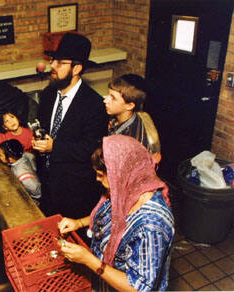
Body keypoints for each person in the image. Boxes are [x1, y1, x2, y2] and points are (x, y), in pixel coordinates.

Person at [58, 135, 174, 292]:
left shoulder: (152, 225)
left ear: (120, 174)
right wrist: (78, 223)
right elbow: (111, 216)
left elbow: (138, 288)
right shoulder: (129, 191)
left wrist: (88, 260)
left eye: (100, 175)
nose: (97, 179)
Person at [32, 32, 108, 218]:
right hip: (48, 184)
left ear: (76, 69)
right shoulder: (48, 94)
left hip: (76, 191)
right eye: (53, 61)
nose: (52, 66)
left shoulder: (94, 104)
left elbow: (91, 148)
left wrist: (54, 147)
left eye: (60, 62)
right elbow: (45, 129)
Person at [104, 74, 161, 163]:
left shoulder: (130, 142)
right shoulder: (116, 117)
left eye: (113, 98)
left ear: (129, 106)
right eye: (109, 95)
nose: (105, 100)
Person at [0, 139, 42, 204]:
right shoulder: (23, 155)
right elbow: (31, 156)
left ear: (10, 159)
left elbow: (37, 192)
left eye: (1, 155)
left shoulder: (22, 174)